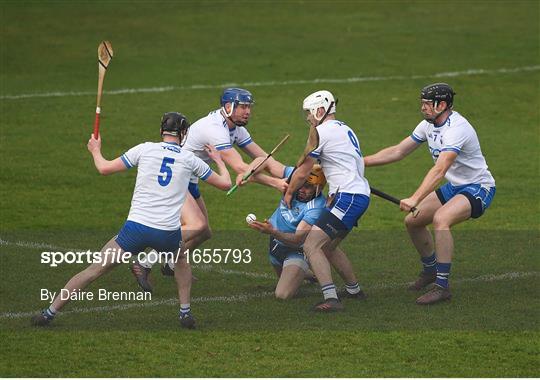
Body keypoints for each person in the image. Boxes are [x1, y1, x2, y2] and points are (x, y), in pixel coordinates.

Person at [31, 112, 231, 329]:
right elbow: (225, 184)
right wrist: (219, 161)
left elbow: (104, 168)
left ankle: (49, 312)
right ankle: (185, 312)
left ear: (162, 131)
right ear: (183, 133)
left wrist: (96, 151)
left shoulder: (144, 148)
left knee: (93, 270)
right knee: (181, 258)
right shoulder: (190, 159)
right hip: (167, 234)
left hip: (135, 229)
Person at [131, 88, 287, 291]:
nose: (248, 111)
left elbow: (266, 159)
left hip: (190, 179)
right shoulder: (215, 129)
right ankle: (144, 262)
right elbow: (240, 168)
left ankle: (170, 264)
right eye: (243, 107)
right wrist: (275, 184)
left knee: (204, 232)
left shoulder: (236, 128)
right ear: (229, 106)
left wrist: (290, 175)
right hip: (177, 179)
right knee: (195, 226)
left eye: (249, 107)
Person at [363, 83, 496, 305]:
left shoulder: (457, 129)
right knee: (413, 222)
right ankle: (430, 271)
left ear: (442, 104)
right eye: (422, 103)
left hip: (478, 187)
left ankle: (442, 286)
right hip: (455, 186)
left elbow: (440, 169)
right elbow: (398, 151)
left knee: (441, 219)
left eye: (427, 103)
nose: (423, 107)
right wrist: (360, 162)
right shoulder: (428, 125)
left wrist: (415, 198)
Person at [284, 90, 370, 312]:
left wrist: (289, 192)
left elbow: (303, 171)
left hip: (349, 197)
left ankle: (331, 299)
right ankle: (354, 290)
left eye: (309, 113)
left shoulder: (321, 132)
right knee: (328, 247)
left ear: (320, 111)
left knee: (311, 245)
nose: (308, 118)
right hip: (355, 195)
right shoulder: (345, 128)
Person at [248, 164, 367, 301]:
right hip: (275, 245)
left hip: (295, 250)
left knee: (282, 294)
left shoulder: (316, 207)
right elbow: (263, 162)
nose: (302, 190)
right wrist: (255, 176)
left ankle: (305, 268)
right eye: (301, 184)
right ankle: (311, 274)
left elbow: (298, 239)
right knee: (284, 278)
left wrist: (273, 231)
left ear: (318, 188)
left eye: (308, 187)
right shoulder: (294, 179)